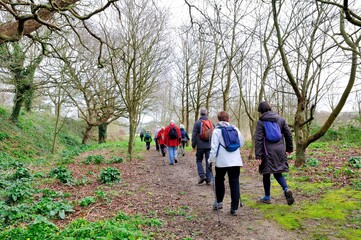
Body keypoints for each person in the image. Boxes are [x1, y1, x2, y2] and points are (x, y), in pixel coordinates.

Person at [255, 101, 294, 205]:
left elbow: (258, 139)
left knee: (266, 174)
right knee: (278, 172)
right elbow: (288, 134)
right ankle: (286, 189)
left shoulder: (261, 122)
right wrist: (289, 148)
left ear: (261, 111)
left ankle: (267, 197)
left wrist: (258, 155)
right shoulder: (280, 119)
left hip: (267, 151)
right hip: (280, 150)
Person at [208, 111, 244, 216]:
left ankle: (219, 202)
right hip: (235, 161)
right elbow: (241, 143)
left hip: (222, 161)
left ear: (219, 120)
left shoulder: (216, 131)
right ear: (228, 119)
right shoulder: (235, 129)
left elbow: (213, 149)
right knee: (234, 182)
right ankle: (234, 208)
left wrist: (210, 160)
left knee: (219, 180)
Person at [192, 107, 214, 184]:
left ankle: (202, 175)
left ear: (200, 113)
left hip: (200, 146)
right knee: (209, 161)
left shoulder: (197, 123)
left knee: (199, 160)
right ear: (206, 113)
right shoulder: (211, 123)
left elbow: (194, 134)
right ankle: (208, 179)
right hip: (209, 145)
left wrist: (193, 145)